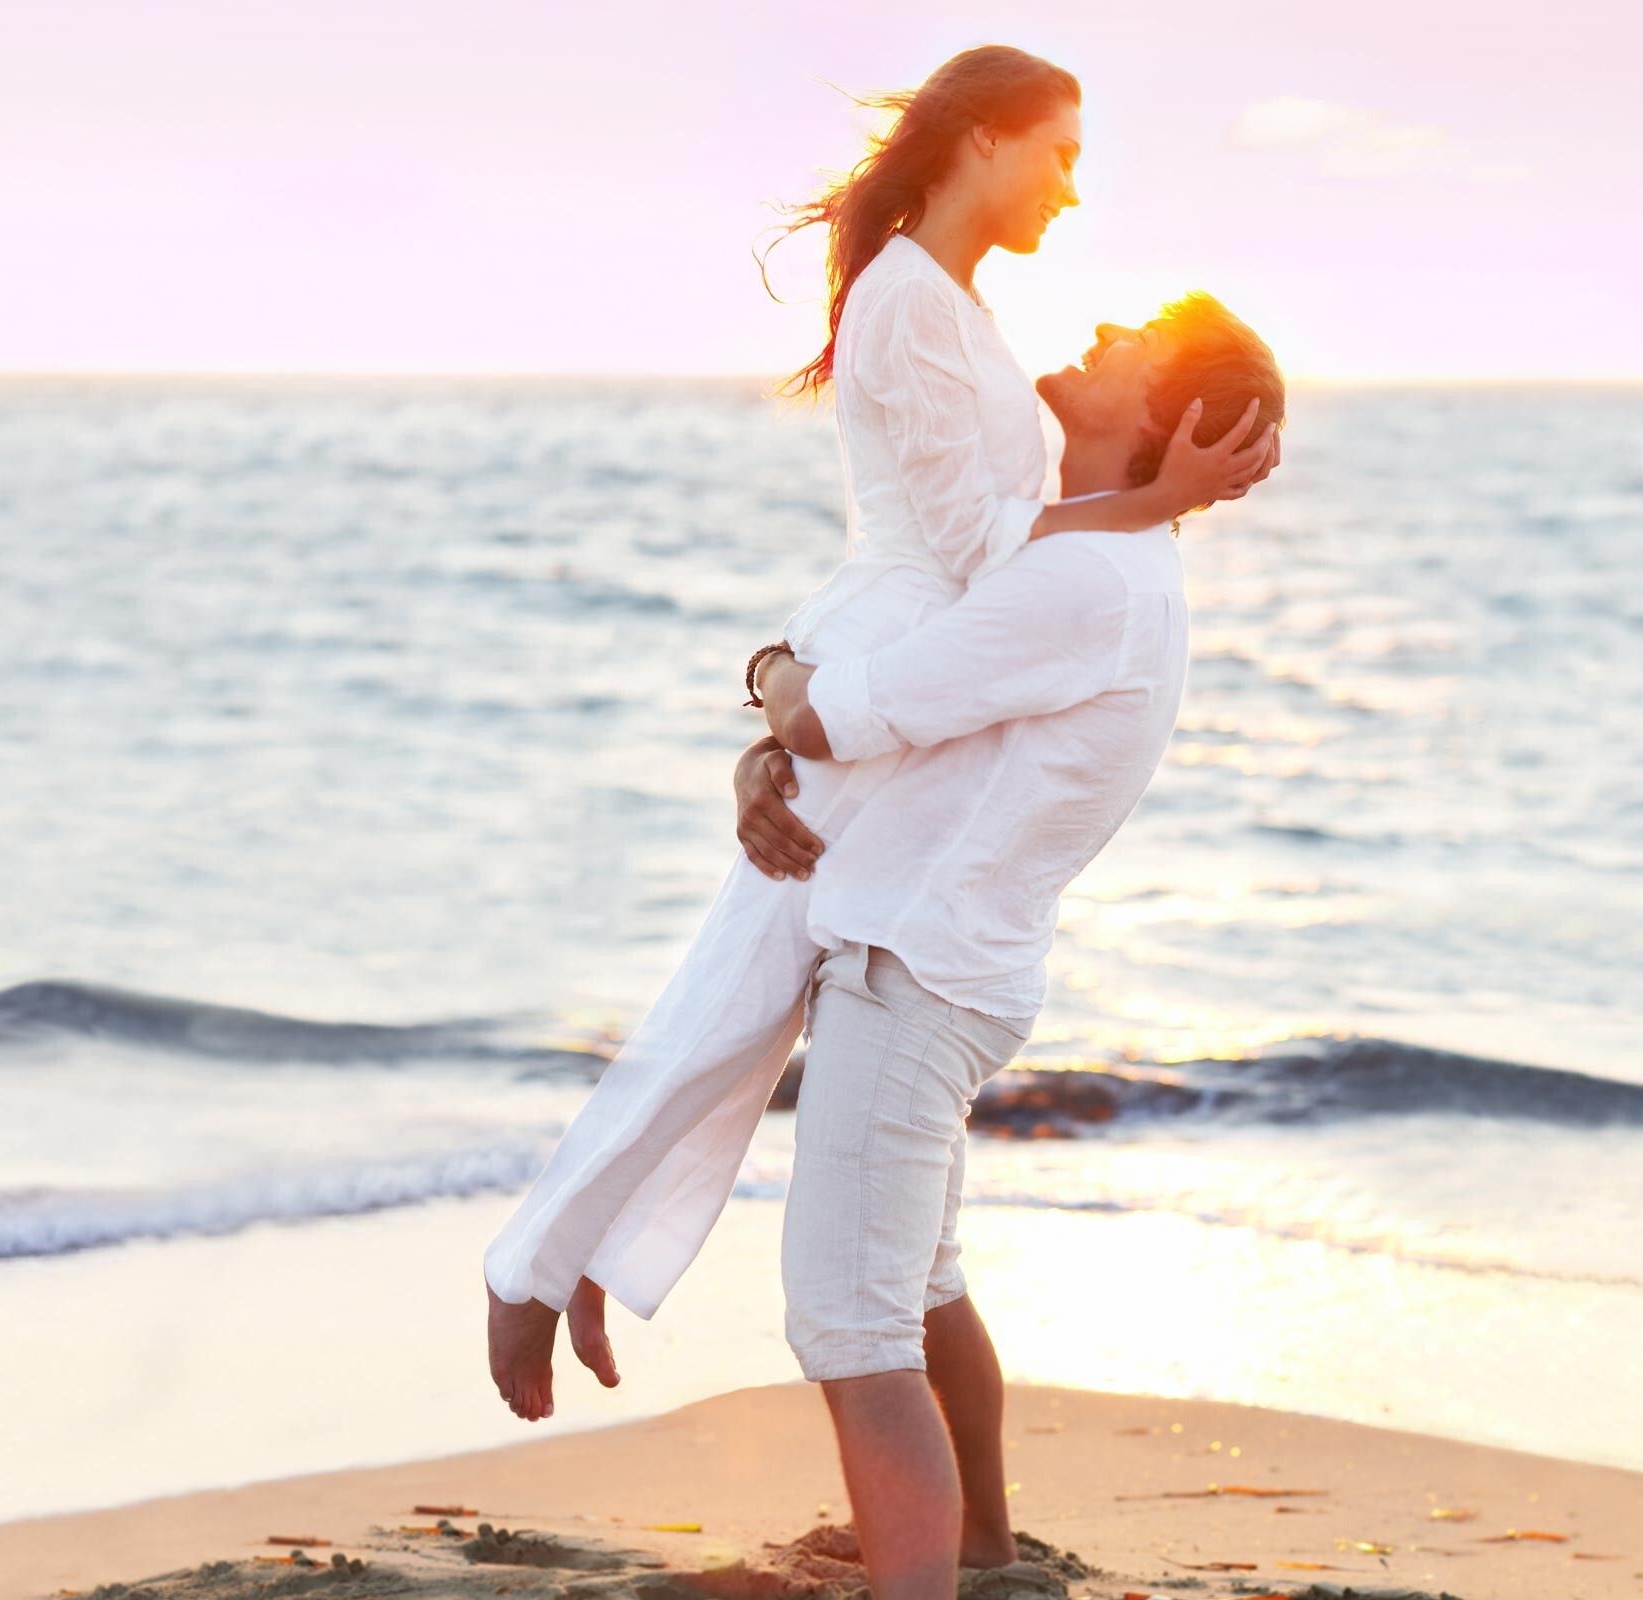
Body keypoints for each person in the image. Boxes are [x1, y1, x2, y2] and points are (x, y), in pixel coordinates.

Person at [484, 44, 1274, 1414]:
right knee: (734, 998)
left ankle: (576, 1255)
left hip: (899, 662)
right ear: (982, 138)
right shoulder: (912, 298)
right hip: (889, 647)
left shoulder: (950, 304)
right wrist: (1154, 504)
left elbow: (989, 555)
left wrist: (781, 700)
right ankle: (539, 1266)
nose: (1074, 192)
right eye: (1062, 153)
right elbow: (979, 546)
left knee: (746, 997)